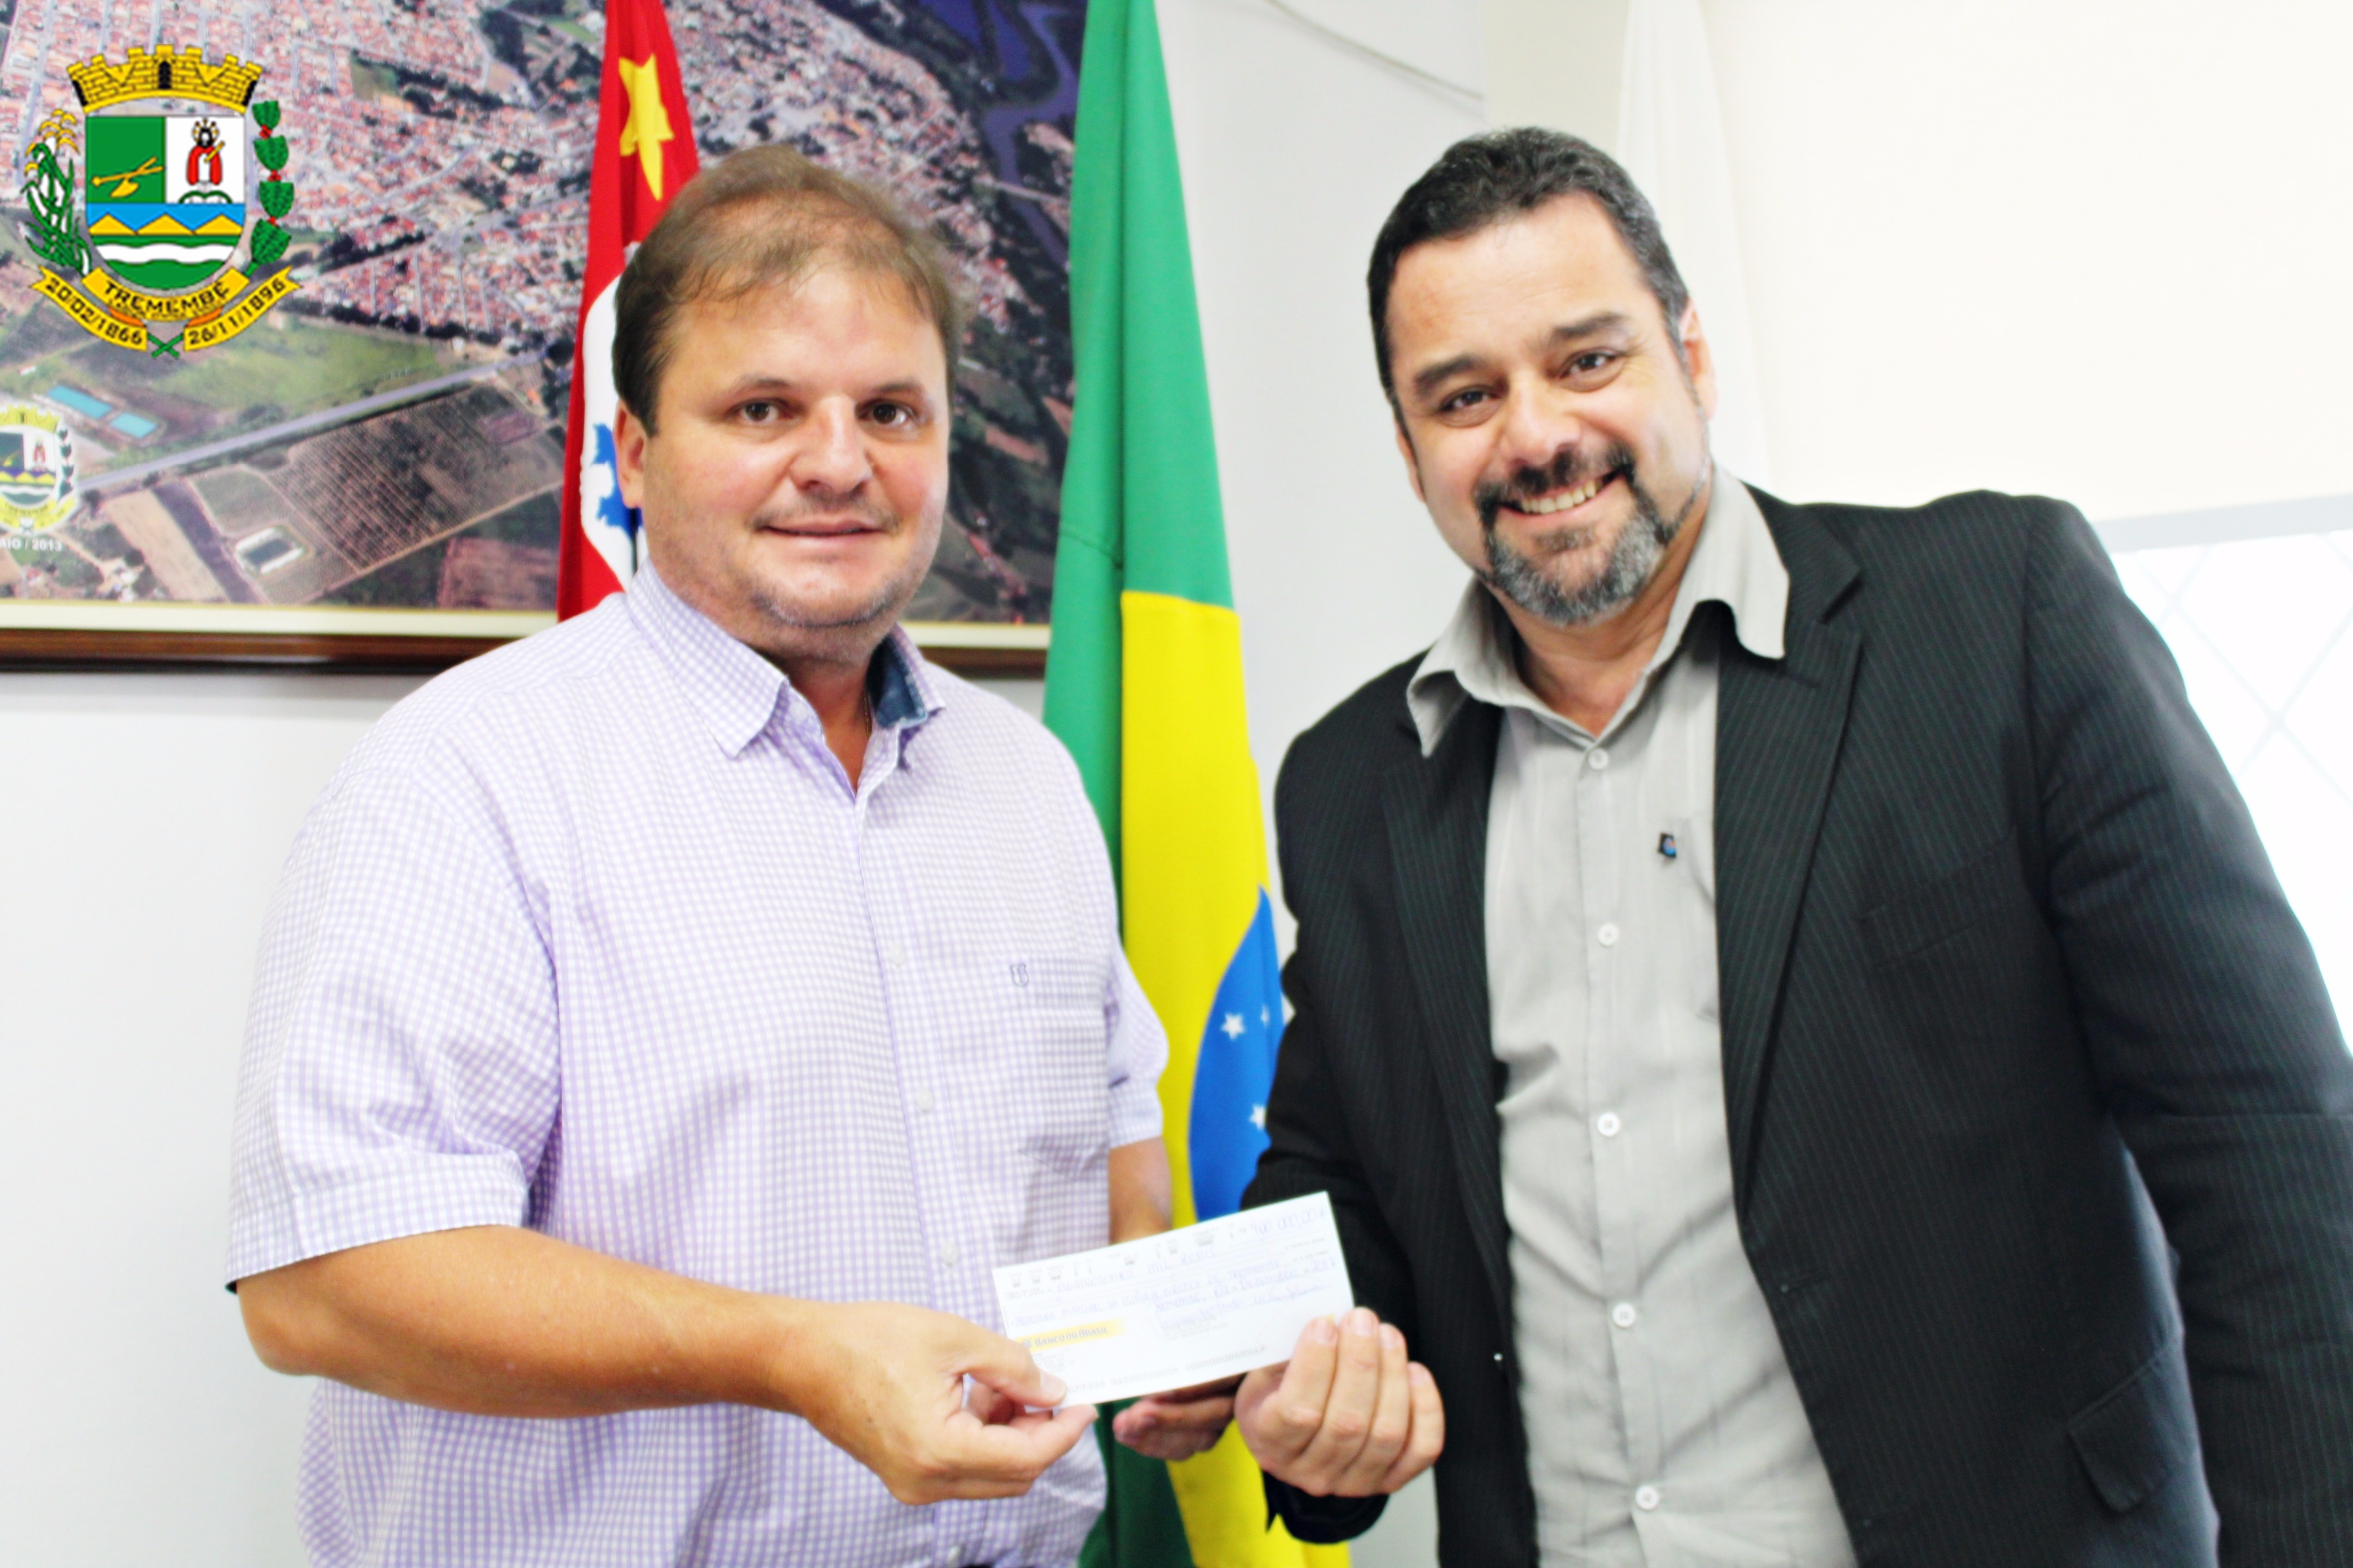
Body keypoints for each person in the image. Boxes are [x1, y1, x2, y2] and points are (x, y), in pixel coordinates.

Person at [1226, 128, 2353, 1566]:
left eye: (1586, 360)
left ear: (1691, 356)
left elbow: (2264, 1150)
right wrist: (1290, 1389)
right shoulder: (1349, 781)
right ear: (1409, 451)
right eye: (1464, 395)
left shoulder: (1995, 616)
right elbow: (1341, 1180)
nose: (1535, 436)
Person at [226, 146, 1175, 1567]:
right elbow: (323, 1284)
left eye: (891, 410)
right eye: (763, 408)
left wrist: (1203, 1349)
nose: (840, 463)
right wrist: (792, 1356)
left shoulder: (1027, 784)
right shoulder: (468, 779)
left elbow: (1112, 1178)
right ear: (633, 449)